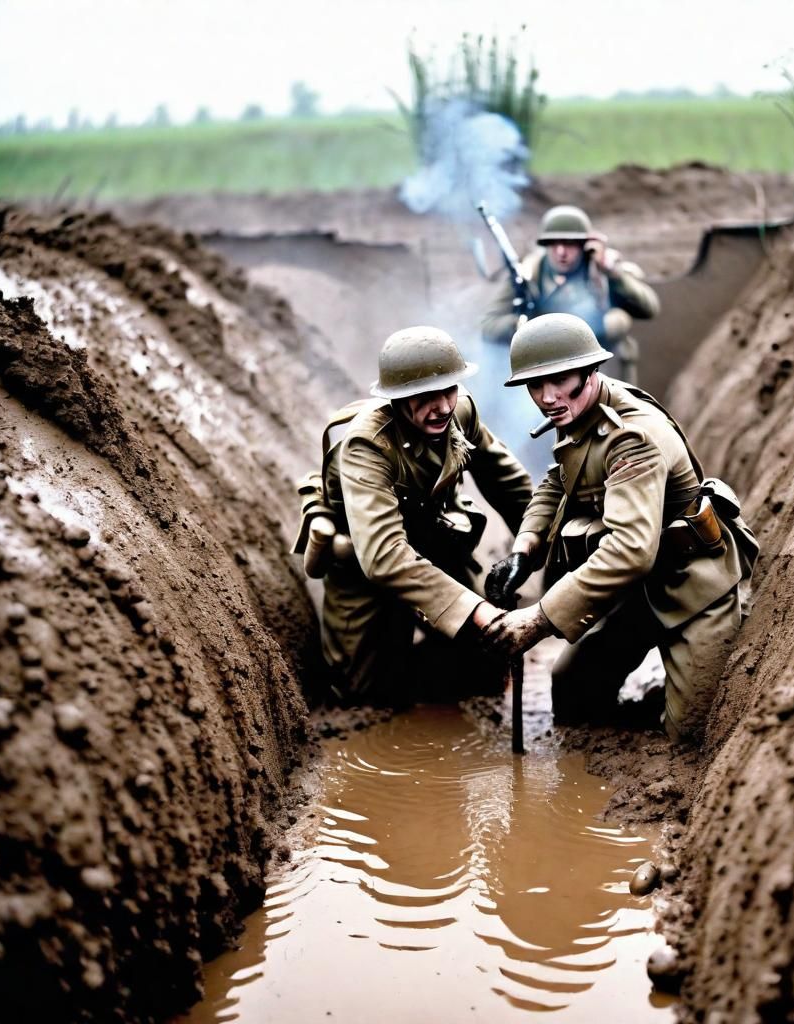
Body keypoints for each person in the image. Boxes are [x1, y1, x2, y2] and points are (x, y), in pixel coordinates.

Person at [482, 313, 758, 743]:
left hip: (693, 583)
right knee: (574, 691)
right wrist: (525, 549)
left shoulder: (631, 437)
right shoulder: (580, 412)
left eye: (559, 379)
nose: (548, 396)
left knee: (690, 733)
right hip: (640, 586)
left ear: (590, 370)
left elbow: (629, 550)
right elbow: (560, 479)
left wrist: (537, 620)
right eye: (535, 385)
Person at [292, 326, 531, 705]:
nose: (442, 407)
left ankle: (436, 669)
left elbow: (509, 483)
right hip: (368, 557)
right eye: (425, 396)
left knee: (484, 662)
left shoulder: (460, 410)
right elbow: (384, 557)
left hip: (434, 541)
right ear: (398, 399)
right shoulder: (367, 446)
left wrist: (533, 549)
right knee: (363, 695)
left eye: (448, 390)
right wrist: (479, 612)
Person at [481, 204, 659, 384]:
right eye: (554, 244)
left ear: (585, 245)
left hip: (606, 375)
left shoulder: (603, 270)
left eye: (569, 243)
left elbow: (649, 308)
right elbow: (488, 326)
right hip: (548, 377)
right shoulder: (529, 274)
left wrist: (612, 274)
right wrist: (526, 325)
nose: (561, 252)